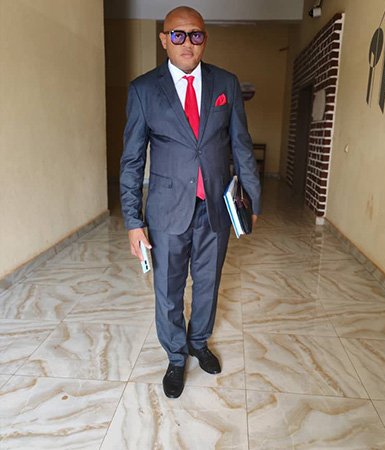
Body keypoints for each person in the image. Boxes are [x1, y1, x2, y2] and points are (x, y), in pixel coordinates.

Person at [120, 5, 261, 398]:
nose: (187, 43)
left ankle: (199, 342)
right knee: (168, 287)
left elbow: (241, 146)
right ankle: (176, 356)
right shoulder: (144, 90)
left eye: (195, 34)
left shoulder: (226, 83)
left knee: (208, 282)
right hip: (166, 210)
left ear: (204, 39)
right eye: (177, 35)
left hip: (215, 206)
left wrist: (252, 201)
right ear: (164, 40)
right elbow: (132, 160)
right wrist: (133, 221)